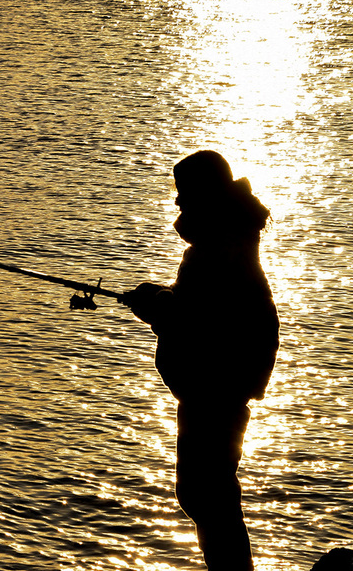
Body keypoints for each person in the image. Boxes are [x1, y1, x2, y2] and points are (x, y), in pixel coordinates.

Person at [122, 150, 279, 570]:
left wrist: (155, 306)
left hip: (215, 385)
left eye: (182, 193)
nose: (176, 202)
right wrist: (159, 295)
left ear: (202, 194)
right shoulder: (226, 237)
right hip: (220, 383)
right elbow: (196, 302)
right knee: (207, 493)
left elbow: (196, 317)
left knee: (207, 494)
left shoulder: (217, 246)